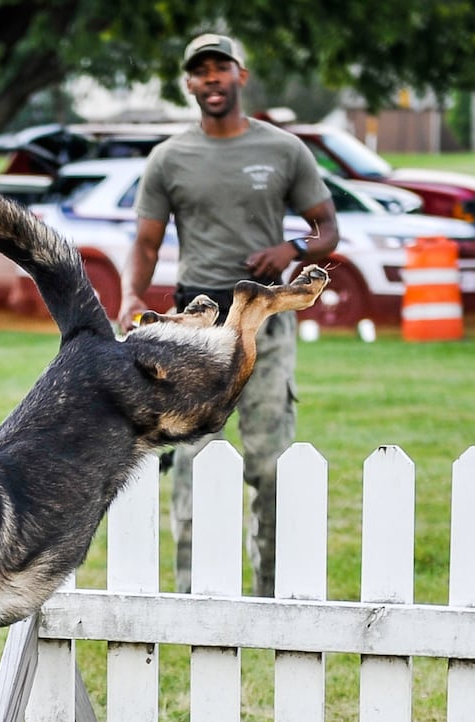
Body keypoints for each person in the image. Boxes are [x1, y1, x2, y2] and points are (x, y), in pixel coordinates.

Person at [118, 33, 339, 597]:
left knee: (271, 462)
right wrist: (129, 297)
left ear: (241, 75)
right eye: (200, 71)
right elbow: (145, 243)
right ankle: (196, 595)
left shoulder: (284, 150)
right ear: (190, 84)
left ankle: (274, 596)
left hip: (266, 316)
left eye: (221, 68)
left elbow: (327, 229)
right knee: (194, 464)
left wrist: (292, 250)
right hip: (199, 325)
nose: (211, 78)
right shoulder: (169, 158)